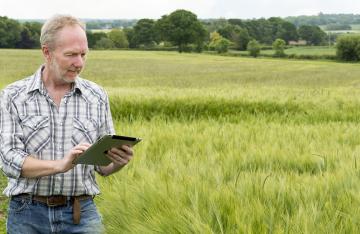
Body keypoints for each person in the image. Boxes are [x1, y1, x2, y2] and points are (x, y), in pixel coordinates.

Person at [0, 14, 134, 233]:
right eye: (71, 55)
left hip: (81, 212)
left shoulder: (97, 96)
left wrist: (119, 161)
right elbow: (9, 160)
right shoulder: (13, 96)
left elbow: (103, 166)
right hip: (27, 213)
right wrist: (60, 165)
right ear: (47, 52)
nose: (79, 63)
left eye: (83, 54)